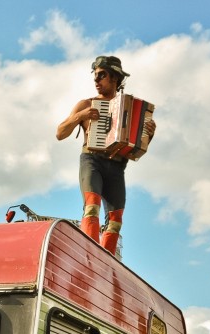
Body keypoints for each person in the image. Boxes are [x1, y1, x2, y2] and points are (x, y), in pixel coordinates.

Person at [56, 55, 156, 256]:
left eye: (102, 75)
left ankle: (105, 259)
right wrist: (80, 116)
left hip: (117, 167)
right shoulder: (86, 104)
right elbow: (60, 133)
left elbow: (135, 151)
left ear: (115, 79)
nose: (96, 80)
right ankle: (89, 251)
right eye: (95, 76)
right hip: (92, 160)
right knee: (92, 206)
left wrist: (148, 136)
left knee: (116, 220)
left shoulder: (130, 108)